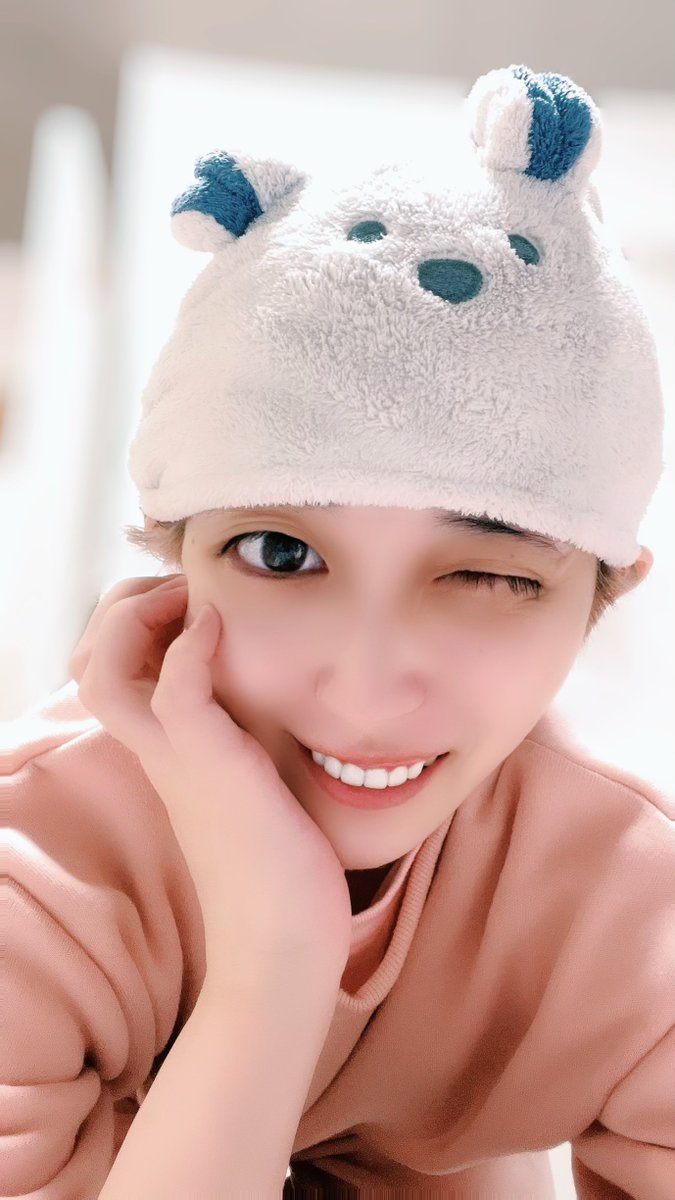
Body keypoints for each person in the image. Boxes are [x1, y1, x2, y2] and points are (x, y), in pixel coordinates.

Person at [2, 63, 673, 1198]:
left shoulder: (630, 922)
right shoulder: (38, 887)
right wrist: (274, 961)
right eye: (282, 554)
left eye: (487, 576)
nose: (365, 690)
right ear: (171, 562)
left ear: (601, 596)